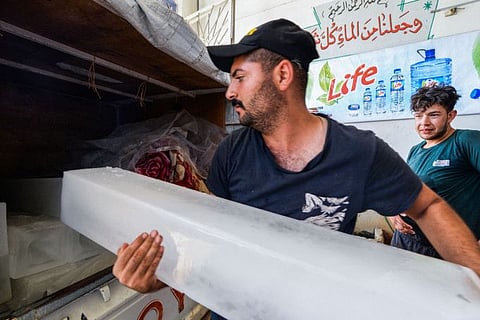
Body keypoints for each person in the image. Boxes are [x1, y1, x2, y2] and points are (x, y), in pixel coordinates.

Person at [112, 19, 480, 319]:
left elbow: (427, 206)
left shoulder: (361, 152)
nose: (229, 92)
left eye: (240, 77)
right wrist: (159, 276)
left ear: (283, 75)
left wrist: (475, 277)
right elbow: (212, 242)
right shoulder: (231, 154)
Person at [389, 85, 480, 258]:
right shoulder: (415, 150)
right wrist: (394, 213)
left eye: (434, 115)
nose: (424, 122)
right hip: (406, 242)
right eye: (418, 116)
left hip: (448, 250)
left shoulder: (466, 141)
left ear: (451, 116)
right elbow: (406, 191)